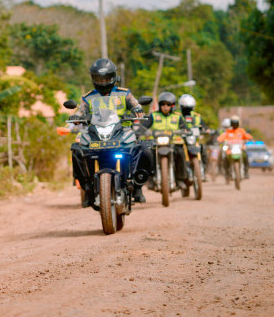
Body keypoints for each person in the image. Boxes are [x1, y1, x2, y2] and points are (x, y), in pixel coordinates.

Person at [70, 58, 149, 206]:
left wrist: (137, 110)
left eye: (106, 78)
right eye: (98, 78)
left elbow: (136, 105)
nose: (102, 81)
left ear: (113, 77)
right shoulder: (88, 98)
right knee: (76, 150)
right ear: (93, 78)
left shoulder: (124, 94)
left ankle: (138, 187)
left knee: (145, 149)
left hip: (122, 132)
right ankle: (87, 188)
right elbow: (80, 111)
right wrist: (77, 117)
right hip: (96, 134)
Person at [140, 91, 187, 188]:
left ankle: (180, 179)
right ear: (160, 105)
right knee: (147, 155)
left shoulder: (177, 117)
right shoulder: (153, 115)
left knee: (181, 153)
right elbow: (143, 127)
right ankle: (151, 179)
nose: (165, 107)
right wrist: (143, 131)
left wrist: (185, 131)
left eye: (168, 105)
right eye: (163, 104)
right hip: (155, 143)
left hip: (173, 142)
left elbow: (185, 128)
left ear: (172, 106)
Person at [178, 94, 210, 180]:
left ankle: (204, 170)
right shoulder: (177, 116)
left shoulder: (196, 116)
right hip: (181, 140)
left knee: (203, 150)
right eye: (185, 108)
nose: (187, 110)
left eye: (189, 108)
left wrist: (206, 129)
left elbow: (203, 125)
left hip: (193, 140)